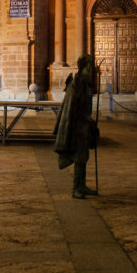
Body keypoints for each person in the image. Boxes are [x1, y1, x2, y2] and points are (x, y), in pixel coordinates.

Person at [53, 54, 99, 199]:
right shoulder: (76, 84)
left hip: (83, 125)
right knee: (79, 157)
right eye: (89, 67)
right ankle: (76, 188)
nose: (91, 70)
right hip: (76, 126)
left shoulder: (84, 83)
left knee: (83, 156)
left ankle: (82, 185)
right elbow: (72, 108)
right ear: (83, 67)